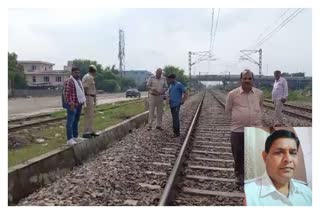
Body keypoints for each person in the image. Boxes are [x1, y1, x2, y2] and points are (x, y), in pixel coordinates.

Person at [244, 130, 312, 206]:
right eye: (279, 152)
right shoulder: (248, 195)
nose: (288, 159)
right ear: (265, 157)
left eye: (293, 153)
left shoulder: (308, 193)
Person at [225, 69, 264, 185]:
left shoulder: (259, 93)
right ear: (240, 80)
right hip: (238, 129)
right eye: (245, 78)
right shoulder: (232, 94)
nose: (247, 80)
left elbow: (261, 106)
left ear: (253, 80)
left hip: (255, 128)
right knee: (238, 154)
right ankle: (239, 175)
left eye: (249, 78)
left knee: (254, 153)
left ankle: (252, 175)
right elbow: (228, 109)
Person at [62, 67, 86, 145]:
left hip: (78, 104)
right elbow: (67, 94)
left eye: (78, 73)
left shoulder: (78, 81)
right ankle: (69, 139)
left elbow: (81, 93)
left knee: (76, 121)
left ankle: (75, 136)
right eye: (75, 72)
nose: (77, 74)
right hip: (72, 105)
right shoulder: (70, 81)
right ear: (72, 73)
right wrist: (71, 103)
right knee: (70, 122)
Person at [167, 74, 187, 138]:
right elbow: (169, 93)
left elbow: (186, 92)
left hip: (176, 104)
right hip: (171, 104)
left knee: (176, 118)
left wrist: (183, 100)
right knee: (174, 118)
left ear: (174, 78)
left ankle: (177, 133)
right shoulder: (171, 85)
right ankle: (175, 132)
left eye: (170, 79)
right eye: (169, 79)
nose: (169, 80)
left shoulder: (179, 84)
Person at [82, 65, 99, 138]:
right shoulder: (89, 77)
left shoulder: (87, 76)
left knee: (90, 115)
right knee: (88, 115)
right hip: (88, 97)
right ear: (94, 71)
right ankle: (86, 132)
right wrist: (85, 99)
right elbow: (85, 88)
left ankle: (90, 131)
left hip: (89, 97)